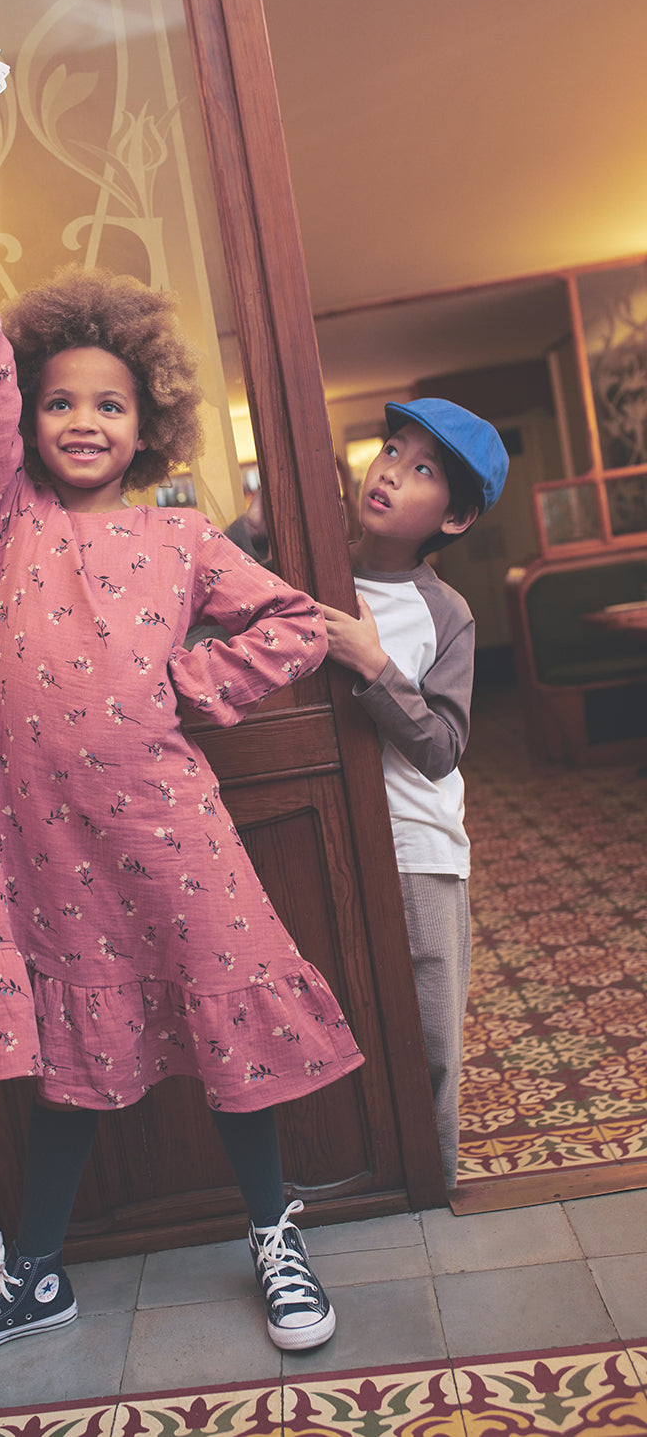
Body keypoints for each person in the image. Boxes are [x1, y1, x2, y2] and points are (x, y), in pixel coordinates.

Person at [0, 105, 365, 1361]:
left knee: (224, 1023)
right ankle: (34, 1273)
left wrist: (185, 691)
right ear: (27, 427)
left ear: (149, 422)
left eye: (108, 405)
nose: (80, 422)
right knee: (65, 1054)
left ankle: (273, 1234)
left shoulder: (181, 537)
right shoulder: (10, 514)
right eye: (58, 406)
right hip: (41, 844)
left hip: (173, 828)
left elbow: (296, 623)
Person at [320, 399, 509, 1190]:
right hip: (324, 830)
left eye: (422, 468)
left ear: (456, 517)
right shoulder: (315, 564)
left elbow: (441, 749)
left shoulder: (447, 614)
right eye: (391, 449)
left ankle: (433, 1187)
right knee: (339, 1018)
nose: (391, 471)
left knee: (431, 1034)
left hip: (420, 846)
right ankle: (355, 1182)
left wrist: (373, 663)